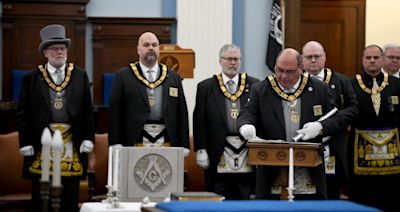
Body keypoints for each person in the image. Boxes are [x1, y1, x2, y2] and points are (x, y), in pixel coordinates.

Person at [238, 48, 341, 200]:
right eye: (279, 70)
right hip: (271, 168)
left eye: (289, 72)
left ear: (301, 68)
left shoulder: (319, 88)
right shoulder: (261, 89)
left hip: (309, 168)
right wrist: (246, 127)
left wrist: (320, 127)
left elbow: (335, 119)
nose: (283, 76)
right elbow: (247, 114)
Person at [17, 24, 95, 212]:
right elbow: (22, 113)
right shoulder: (32, 77)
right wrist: (25, 142)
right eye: (54, 48)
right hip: (41, 143)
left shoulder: (79, 75)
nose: (59, 52)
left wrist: (88, 137)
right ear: (45, 53)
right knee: (41, 195)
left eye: (62, 48)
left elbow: (87, 110)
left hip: (72, 142)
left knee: (70, 195)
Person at [193, 44, 259, 199]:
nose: (233, 63)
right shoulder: (206, 87)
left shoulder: (255, 84)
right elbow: (199, 120)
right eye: (229, 59)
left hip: (246, 150)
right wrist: (200, 148)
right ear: (220, 61)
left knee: (245, 195)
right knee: (218, 196)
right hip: (217, 150)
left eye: (236, 59)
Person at [108, 32, 190, 154]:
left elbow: (181, 111)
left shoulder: (173, 77)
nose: (151, 48)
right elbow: (115, 111)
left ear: (159, 49)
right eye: (146, 45)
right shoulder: (123, 76)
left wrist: (184, 144)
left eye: (154, 45)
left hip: (167, 140)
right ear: (138, 49)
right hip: (133, 140)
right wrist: (115, 142)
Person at [301, 41, 358, 199]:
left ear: (324, 57)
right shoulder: (295, 81)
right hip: (303, 146)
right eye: (309, 57)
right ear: (302, 59)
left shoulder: (341, 81)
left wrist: (324, 125)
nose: (313, 60)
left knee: (331, 194)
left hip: (333, 147)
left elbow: (353, 109)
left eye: (317, 56)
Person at [348, 45, 400, 211]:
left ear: (383, 60)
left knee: (391, 195)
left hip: (392, 154)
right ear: (363, 60)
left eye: (376, 57)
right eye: (368, 58)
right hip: (360, 151)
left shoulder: (396, 84)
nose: (372, 61)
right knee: (362, 197)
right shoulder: (350, 84)